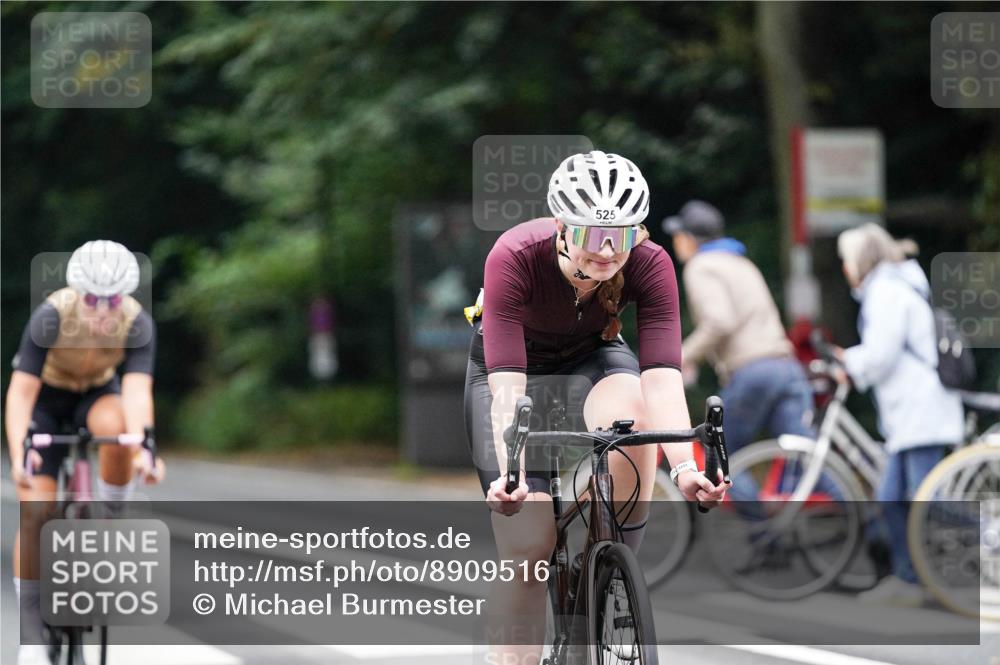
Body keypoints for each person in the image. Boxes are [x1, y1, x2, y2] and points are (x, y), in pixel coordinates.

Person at [465, 151, 728, 664]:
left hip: (593, 358)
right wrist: (514, 472)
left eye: (624, 235)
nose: (609, 251)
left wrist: (686, 469)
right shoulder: (516, 254)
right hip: (513, 374)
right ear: (562, 227)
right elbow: (508, 389)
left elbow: (662, 378)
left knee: (635, 422)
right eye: (592, 235)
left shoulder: (651, 263)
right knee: (527, 553)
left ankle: (608, 559)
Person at [6, 240, 165, 665]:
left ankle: (112, 508)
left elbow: (136, 392)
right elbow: (21, 393)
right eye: (92, 299)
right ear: (78, 292)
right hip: (46, 400)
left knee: (118, 431)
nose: (101, 310)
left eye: (112, 300)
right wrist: (22, 451)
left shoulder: (137, 323)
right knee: (35, 512)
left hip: (96, 394)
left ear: (125, 297)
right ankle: (32, 637)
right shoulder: (51, 316)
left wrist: (144, 449)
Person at [833, 223, 963, 605]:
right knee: (894, 499)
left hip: (923, 415)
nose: (844, 268)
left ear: (860, 260)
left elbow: (880, 354)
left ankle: (978, 543)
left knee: (927, 505)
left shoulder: (886, 292)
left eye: (846, 260)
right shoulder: (895, 286)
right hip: (913, 418)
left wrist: (848, 363)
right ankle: (910, 581)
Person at [663, 200, 814, 457]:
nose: (676, 241)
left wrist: (679, 358)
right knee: (806, 460)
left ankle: (751, 501)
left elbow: (719, 321)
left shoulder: (701, 266)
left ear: (690, 239)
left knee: (721, 457)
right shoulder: (740, 262)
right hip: (786, 366)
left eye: (679, 235)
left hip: (752, 373)